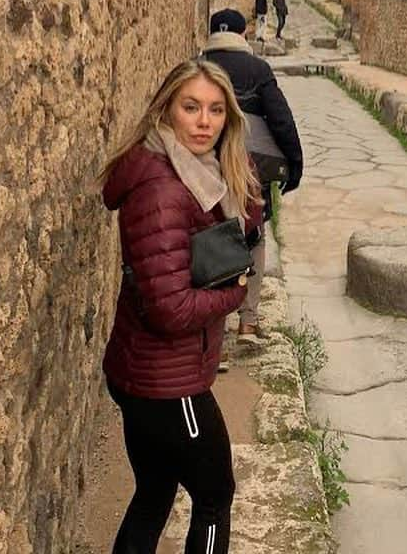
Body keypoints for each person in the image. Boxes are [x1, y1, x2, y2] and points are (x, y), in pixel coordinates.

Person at [99, 59, 262, 554]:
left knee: (154, 492)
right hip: (168, 386)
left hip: (145, 374)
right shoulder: (163, 190)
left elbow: (246, 216)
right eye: (191, 107)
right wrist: (236, 293)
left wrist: (236, 168)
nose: (204, 121)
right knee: (214, 496)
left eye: (216, 110)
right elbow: (172, 309)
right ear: (166, 110)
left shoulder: (193, 171)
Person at [204, 9, 303, 345]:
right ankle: (248, 322)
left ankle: (215, 333)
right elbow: (281, 121)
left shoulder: (198, 68)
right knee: (254, 234)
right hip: (249, 169)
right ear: (242, 34)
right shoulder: (257, 69)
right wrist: (294, 166)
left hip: (205, 167)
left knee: (209, 239)